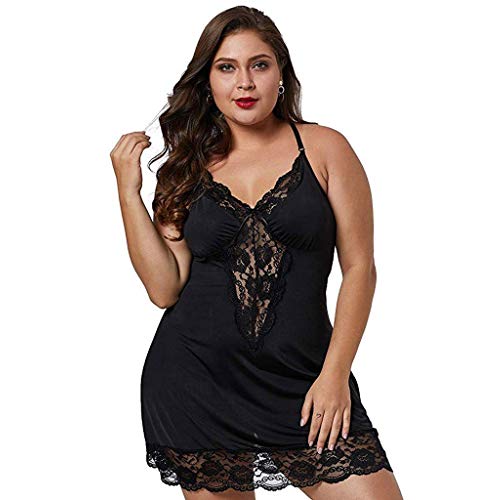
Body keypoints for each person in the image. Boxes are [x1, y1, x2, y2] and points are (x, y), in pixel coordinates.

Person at [110, 6, 403, 499]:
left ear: (281, 74)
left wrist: (334, 374)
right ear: (207, 81)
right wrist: (127, 191)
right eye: (226, 67)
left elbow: (360, 269)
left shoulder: (325, 148)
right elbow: (164, 289)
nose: (244, 82)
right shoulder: (186, 165)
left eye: (259, 65)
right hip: (196, 381)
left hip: (306, 379)